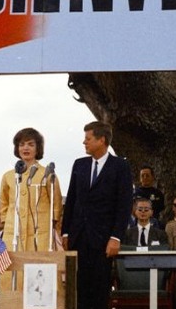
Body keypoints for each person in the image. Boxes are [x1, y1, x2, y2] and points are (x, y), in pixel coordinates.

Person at [62, 121, 132, 309]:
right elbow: (71, 200)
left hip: (103, 240)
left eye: (88, 139)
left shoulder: (120, 166)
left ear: (101, 140)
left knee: (99, 290)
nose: (84, 143)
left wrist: (116, 237)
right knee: (77, 289)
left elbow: (124, 205)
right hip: (78, 237)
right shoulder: (79, 165)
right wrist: (66, 232)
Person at [1, 127, 63, 252]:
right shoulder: (8, 176)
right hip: (13, 233)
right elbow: (4, 205)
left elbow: (56, 206)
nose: (25, 148)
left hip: (41, 233)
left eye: (30, 144)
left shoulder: (47, 174)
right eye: (22, 144)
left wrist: (54, 226)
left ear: (38, 148)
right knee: (12, 269)